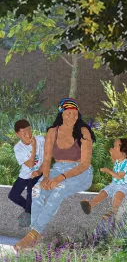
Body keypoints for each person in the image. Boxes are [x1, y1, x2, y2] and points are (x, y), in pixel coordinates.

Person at [15, 99, 95, 251]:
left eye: (75, 113)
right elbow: (46, 159)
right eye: (68, 113)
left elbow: (85, 164)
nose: (72, 116)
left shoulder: (84, 132)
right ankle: (35, 234)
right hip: (57, 169)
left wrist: (60, 178)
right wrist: (46, 178)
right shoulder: (52, 132)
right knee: (37, 190)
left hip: (81, 173)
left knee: (58, 189)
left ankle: (34, 234)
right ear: (61, 113)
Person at [80, 138, 127, 216]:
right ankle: (90, 205)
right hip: (115, 184)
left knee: (118, 196)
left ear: (123, 152)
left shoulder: (126, 163)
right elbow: (114, 161)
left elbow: (120, 177)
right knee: (103, 192)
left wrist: (108, 171)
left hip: (126, 186)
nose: (112, 148)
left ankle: (113, 212)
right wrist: (112, 155)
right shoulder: (118, 161)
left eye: (114, 147)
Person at [8, 119, 41, 229]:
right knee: (12, 195)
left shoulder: (41, 140)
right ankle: (31, 208)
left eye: (29, 131)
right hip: (25, 175)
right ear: (18, 134)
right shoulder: (18, 148)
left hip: (38, 174)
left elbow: (47, 159)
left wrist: (39, 171)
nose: (28, 135)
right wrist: (34, 147)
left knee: (30, 193)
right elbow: (30, 164)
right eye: (24, 133)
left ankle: (29, 215)